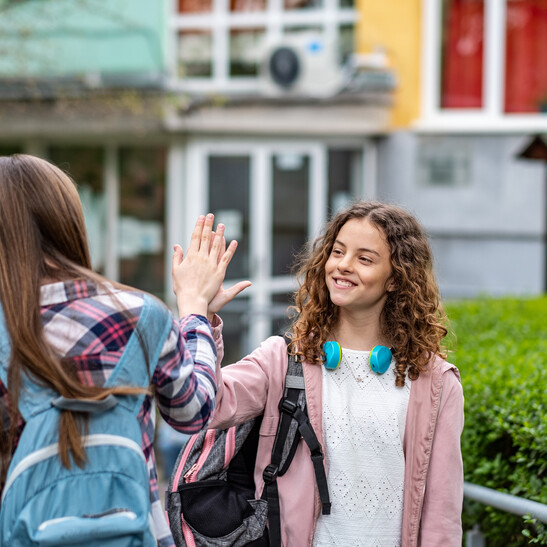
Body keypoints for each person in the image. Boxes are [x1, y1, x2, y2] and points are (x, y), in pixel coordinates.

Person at [174, 201, 464, 546]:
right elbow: (203, 405)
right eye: (338, 252)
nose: (342, 265)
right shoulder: (283, 360)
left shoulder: (436, 382)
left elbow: (442, 514)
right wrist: (197, 315)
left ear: (395, 278)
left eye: (364, 258)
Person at [0, 154, 238, 547]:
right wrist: (194, 310)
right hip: (130, 531)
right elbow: (192, 412)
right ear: (68, 222)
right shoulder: (140, 315)